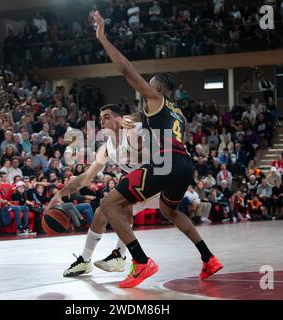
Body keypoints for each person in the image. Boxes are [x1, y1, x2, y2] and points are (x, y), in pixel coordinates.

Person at [91, 11, 222, 288]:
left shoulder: (154, 95)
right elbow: (146, 118)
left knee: (109, 204)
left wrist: (103, 37)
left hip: (167, 163)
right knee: (171, 211)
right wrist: (132, 119)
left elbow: (126, 71)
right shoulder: (177, 113)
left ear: (158, 88)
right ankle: (208, 258)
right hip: (184, 165)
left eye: (149, 83)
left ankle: (140, 262)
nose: (145, 85)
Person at [46, 104, 160, 277]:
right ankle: (85, 260)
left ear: (119, 119)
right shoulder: (107, 148)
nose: (101, 121)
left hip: (161, 181)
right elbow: (86, 177)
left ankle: (120, 256)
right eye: (100, 118)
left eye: (106, 117)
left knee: (122, 200)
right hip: (142, 184)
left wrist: (133, 118)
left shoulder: (135, 130)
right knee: (101, 211)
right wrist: (59, 194)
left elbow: (152, 112)